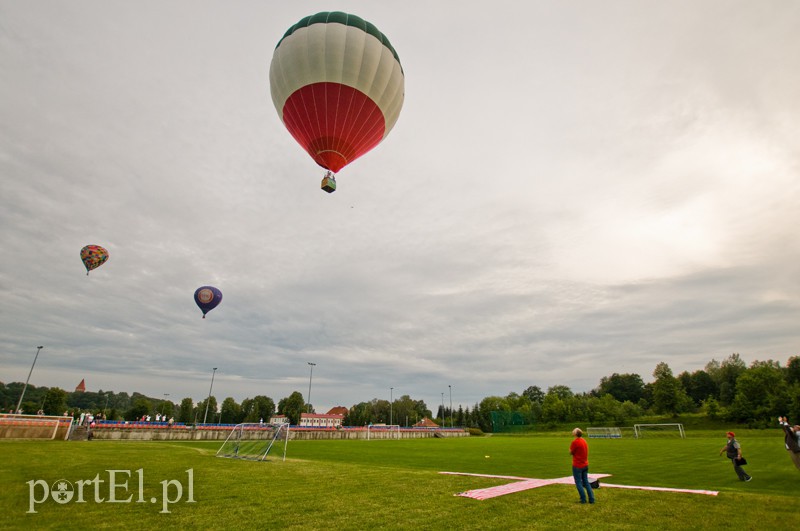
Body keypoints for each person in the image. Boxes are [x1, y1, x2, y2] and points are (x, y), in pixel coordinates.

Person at [569, 428, 595, 504]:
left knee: (578, 482)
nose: (572, 431)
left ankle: (583, 499)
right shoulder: (584, 440)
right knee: (586, 482)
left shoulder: (575, 442)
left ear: (575, 434)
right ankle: (591, 499)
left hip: (577, 465)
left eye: (573, 431)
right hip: (585, 464)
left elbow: (570, 452)